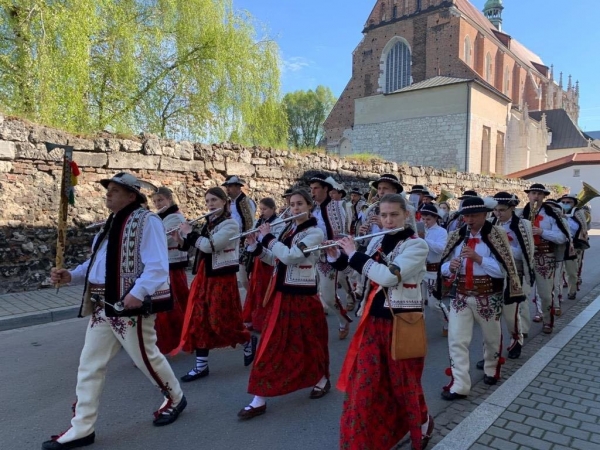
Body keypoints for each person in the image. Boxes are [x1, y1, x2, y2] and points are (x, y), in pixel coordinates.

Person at [44, 173, 186, 450]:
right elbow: (96, 264)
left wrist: (137, 293)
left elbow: (157, 265)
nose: (108, 194)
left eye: (115, 190)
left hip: (128, 305)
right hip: (102, 305)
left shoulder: (148, 221)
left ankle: (176, 397)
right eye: (108, 190)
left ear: (132, 196)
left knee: (146, 358)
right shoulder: (108, 225)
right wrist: (71, 275)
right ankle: (82, 427)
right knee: (89, 365)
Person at [330, 194, 433, 450]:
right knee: (365, 385)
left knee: (403, 384)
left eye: (394, 215)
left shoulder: (416, 246)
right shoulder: (377, 239)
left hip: (402, 324)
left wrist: (354, 254)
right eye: (384, 215)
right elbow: (360, 272)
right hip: (373, 321)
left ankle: (422, 421)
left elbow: (387, 277)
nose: (388, 220)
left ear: (406, 215)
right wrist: (337, 256)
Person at [238, 189, 330, 419]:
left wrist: (268, 238)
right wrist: (257, 247)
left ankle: (321, 378)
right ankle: (259, 398)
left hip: (303, 296)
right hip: (282, 294)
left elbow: (291, 256)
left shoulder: (315, 233)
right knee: (271, 344)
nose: (295, 208)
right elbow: (277, 260)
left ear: (309, 206)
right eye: (292, 205)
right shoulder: (289, 229)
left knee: (309, 342)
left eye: (300, 204)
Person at [436, 197, 524, 401]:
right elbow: (443, 266)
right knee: (456, 340)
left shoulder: (497, 235)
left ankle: (491, 368)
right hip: (460, 295)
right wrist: (450, 267)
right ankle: (460, 385)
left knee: (491, 338)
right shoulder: (456, 236)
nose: (469, 220)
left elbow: (504, 271)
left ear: (485, 214)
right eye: (466, 216)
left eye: (474, 215)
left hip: (488, 295)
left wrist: (478, 259)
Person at [170, 187, 256, 381]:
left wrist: (190, 234)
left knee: (221, 320)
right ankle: (201, 366)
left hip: (222, 278)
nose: (210, 204)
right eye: (208, 201)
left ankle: (247, 340)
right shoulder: (209, 223)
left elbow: (210, 246)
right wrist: (181, 240)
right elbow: (198, 249)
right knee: (199, 319)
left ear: (224, 202)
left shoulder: (231, 224)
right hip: (204, 276)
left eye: (214, 200)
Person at [488, 192, 534, 359]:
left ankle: (517, 339)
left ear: (512, 208)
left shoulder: (523, 225)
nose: (498, 213)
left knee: (513, 312)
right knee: (492, 314)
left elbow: (525, 253)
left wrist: (504, 248)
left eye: (502, 210)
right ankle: (491, 353)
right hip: (493, 273)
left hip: (515, 273)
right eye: (495, 210)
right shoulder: (490, 223)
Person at [520, 184, 570, 334]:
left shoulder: (551, 214)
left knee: (546, 294)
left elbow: (562, 237)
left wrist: (541, 231)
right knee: (521, 294)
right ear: (528, 195)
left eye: (539, 194)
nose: (536, 196)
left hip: (545, 257)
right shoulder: (522, 214)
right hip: (525, 257)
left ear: (544, 196)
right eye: (533, 193)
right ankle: (522, 328)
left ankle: (548, 320)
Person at [309, 173, 353, 339]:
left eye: (316, 188)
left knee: (328, 297)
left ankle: (343, 320)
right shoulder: (311, 207)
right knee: (310, 293)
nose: (313, 192)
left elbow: (340, 234)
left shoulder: (336, 207)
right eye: (311, 189)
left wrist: (330, 248)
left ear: (326, 189)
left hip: (328, 256)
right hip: (311, 256)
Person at [151, 187, 189, 354]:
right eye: (155, 201)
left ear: (169, 200)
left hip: (172, 265)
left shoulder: (174, 217)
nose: (158, 204)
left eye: (160, 200)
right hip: (165, 265)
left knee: (173, 305)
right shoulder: (161, 217)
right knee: (173, 305)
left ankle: (179, 339)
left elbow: (162, 239)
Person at [242, 197, 284, 332]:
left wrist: (261, 237)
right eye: (261, 209)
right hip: (258, 260)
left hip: (270, 260)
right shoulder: (258, 221)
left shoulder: (279, 223)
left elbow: (277, 241)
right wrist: (250, 239)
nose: (262, 212)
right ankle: (254, 319)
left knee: (266, 290)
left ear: (273, 209)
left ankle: (265, 321)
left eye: (265, 209)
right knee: (255, 289)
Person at [222, 175, 256, 296]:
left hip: (243, 242)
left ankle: (252, 296)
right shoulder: (228, 203)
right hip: (231, 241)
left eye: (230, 186)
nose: (228, 189)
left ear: (238, 187)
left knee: (243, 275)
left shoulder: (246, 202)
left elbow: (250, 223)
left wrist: (247, 241)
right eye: (227, 186)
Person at [420, 204, 449, 337]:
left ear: (436, 218)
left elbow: (441, 249)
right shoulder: (419, 230)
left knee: (434, 303)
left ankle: (448, 322)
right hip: (419, 270)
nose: (425, 222)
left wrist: (425, 240)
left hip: (433, 271)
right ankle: (418, 327)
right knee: (417, 302)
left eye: (428, 219)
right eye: (423, 219)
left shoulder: (441, 232)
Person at [561, 194, 589, 300]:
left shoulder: (578, 213)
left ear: (574, 204)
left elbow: (579, 228)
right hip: (559, 245)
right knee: (559, 272)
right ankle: (558, 296)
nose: (565, 204)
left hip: (574, 245)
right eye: (563, 202)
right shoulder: (556, 212)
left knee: (572, 272)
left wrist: (566, 219)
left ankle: (572, 291)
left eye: (568, 202)